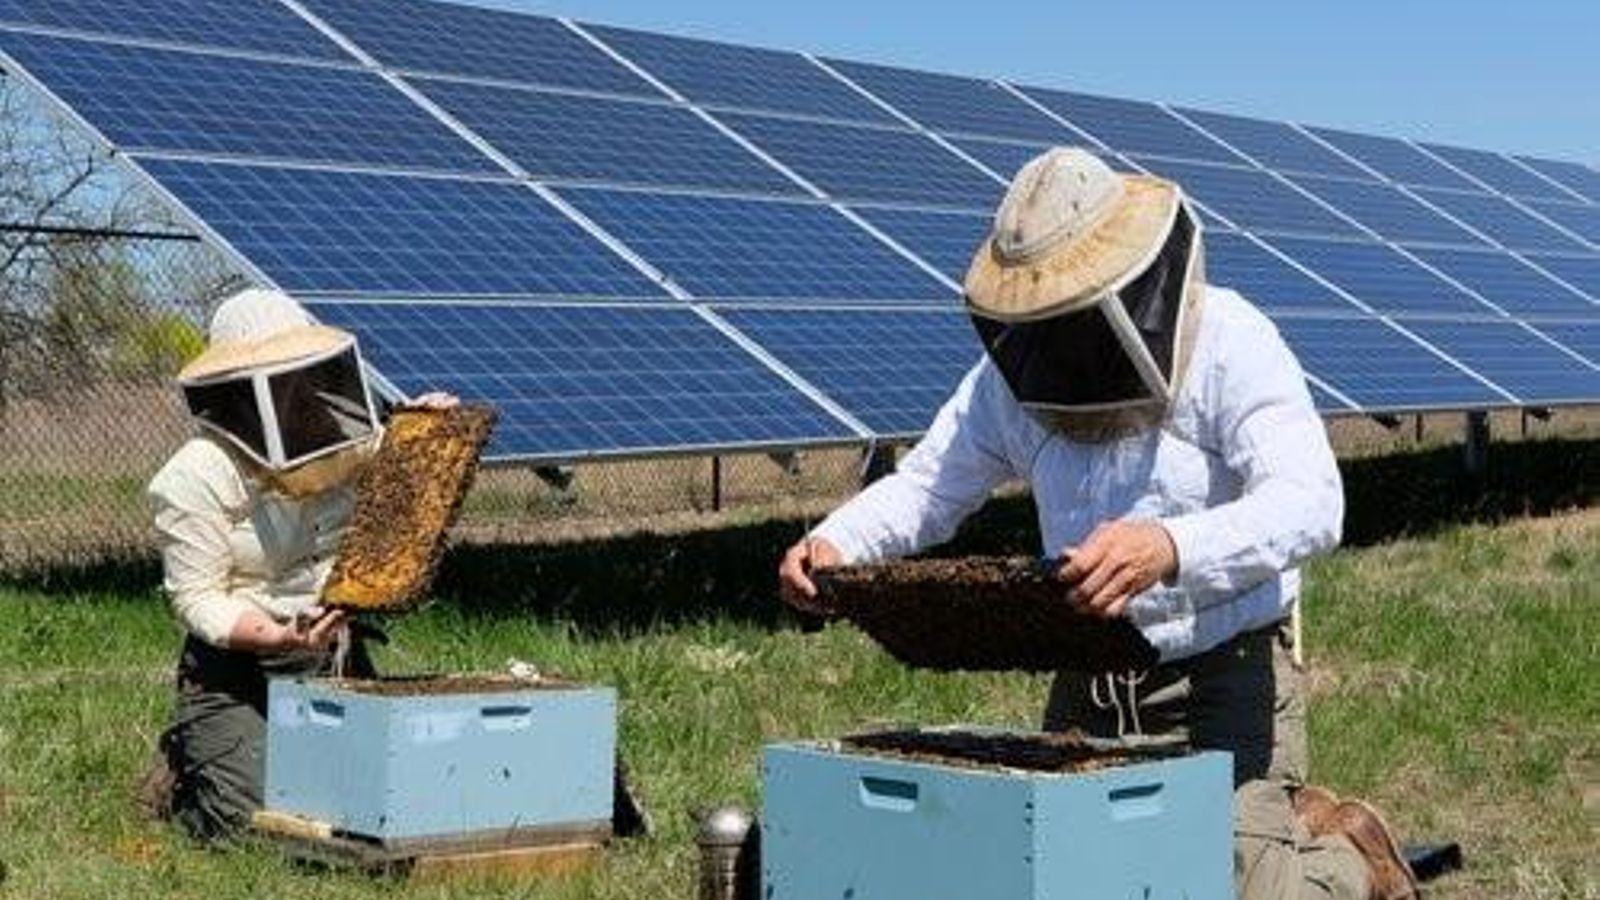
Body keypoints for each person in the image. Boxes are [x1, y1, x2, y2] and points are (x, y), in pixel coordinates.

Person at [779, 148, 1420, 900]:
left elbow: (1313, 502)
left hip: (1225, 666)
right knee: (1072, 871)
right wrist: (838, 541)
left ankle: (1348, 859)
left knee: (1229, 886)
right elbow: (929, 482)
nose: (1064, 345)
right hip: (1088, 671)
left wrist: (1171, 546)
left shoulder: (1232, 342)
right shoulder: (1013, 375)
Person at [140, 288, 454, 842]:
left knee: (371, 808)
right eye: (274, 376)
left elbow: (405, 490)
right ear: (236, 389)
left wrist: (421, 434)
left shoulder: (351, 437)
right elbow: (196, 598)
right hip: (236, 671)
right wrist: (278, 634)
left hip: (331, 655)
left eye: (297, 372)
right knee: (254, 828)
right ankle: (188, 770)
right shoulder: (196, 475)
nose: (292, 391)